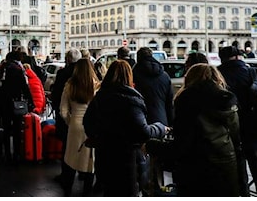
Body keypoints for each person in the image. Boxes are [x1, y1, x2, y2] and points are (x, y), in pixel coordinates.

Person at [83, 60, 169, 196]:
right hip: (128, 162)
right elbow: (143, 132)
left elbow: (88, 124)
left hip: (105, 158)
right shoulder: (132, 100)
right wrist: (160, 128)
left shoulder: (100, 97)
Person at [173, 63, 246, 196]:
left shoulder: (186, 101)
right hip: (226, 166)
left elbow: (182, 143)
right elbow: (237, 142)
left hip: (195, 168)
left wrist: (153, 145)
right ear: (217, 79)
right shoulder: (227, 101)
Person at [218, 45, 257, 196]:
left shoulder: (217, 75)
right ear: (239, 57)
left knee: (237, 174)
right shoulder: (254, 73)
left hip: (229, 132)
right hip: (256, 130)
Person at [132, 47, 174, 194]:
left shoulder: (134, 74)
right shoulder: (164, 76)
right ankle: (158, 189)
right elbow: (170, 103)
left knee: (140, 160)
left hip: (140, 121)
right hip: (161, 121)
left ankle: (143, 189)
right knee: (158, 159)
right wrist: (169, 124)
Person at [59, 58, 100, 196]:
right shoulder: (95, 85)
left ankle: (67, 192)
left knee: (71, 158)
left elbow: (63, 111)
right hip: (92, 126)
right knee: (89, 162)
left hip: (75, 125)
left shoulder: (70, 85)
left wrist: (70, 122)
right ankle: (87, 194)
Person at [51, 48, 82, 182]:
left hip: (67, 114)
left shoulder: (63, 73)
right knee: (82, 145)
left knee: (66, 145)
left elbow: (57, 94)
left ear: (68, 59)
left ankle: (66, 173)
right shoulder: (84, 73)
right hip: (82, 116)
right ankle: (82, 172)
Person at [0, 50, 33, 164]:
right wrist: (31, 101)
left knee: (6, 128)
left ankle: (7, 152)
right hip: (16, 102)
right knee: (17, 128)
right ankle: (17, 153)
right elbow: (24, 87)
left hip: (3, 102)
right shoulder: (18, 70)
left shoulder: (1, 68)